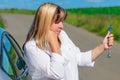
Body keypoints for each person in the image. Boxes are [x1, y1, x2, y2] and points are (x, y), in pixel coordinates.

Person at [23, 2, 114, 80]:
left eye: (62, 21)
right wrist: (54, 42)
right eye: (57, 22)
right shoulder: (32, 47)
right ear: (45, 22)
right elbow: (57, 73)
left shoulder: (62, 35)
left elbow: (79, 58)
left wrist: (102, 46)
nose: (61, 26)